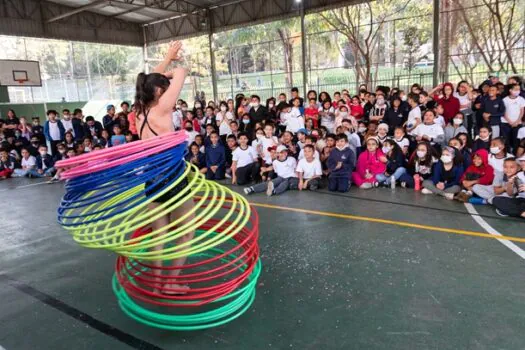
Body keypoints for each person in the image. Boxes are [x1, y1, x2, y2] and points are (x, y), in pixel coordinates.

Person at [134, 40, 193, 294]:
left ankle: (157, 285)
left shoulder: (139, 111)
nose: (169, 89)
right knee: (186, 232)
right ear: (159, 91)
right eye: (164, 86)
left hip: (151, 177)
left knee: (159, 235)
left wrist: (168, 57)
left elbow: (148, 80)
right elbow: (183, 72)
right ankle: (170, 281)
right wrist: (172, 68)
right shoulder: (163, 107)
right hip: (172, 176)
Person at [501, 83, 525, 151]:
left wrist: (517, 121)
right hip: (505, 123)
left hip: (518, 123)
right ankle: (508, 153)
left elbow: (522, 112)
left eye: (519, 89)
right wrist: (510, 122)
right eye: (516, 89)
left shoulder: (521, 99)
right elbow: (504, 112)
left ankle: (515, 154)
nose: (518, 91)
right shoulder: (505, 100)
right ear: (510, 90)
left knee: (516, 140)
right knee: (506, 140)